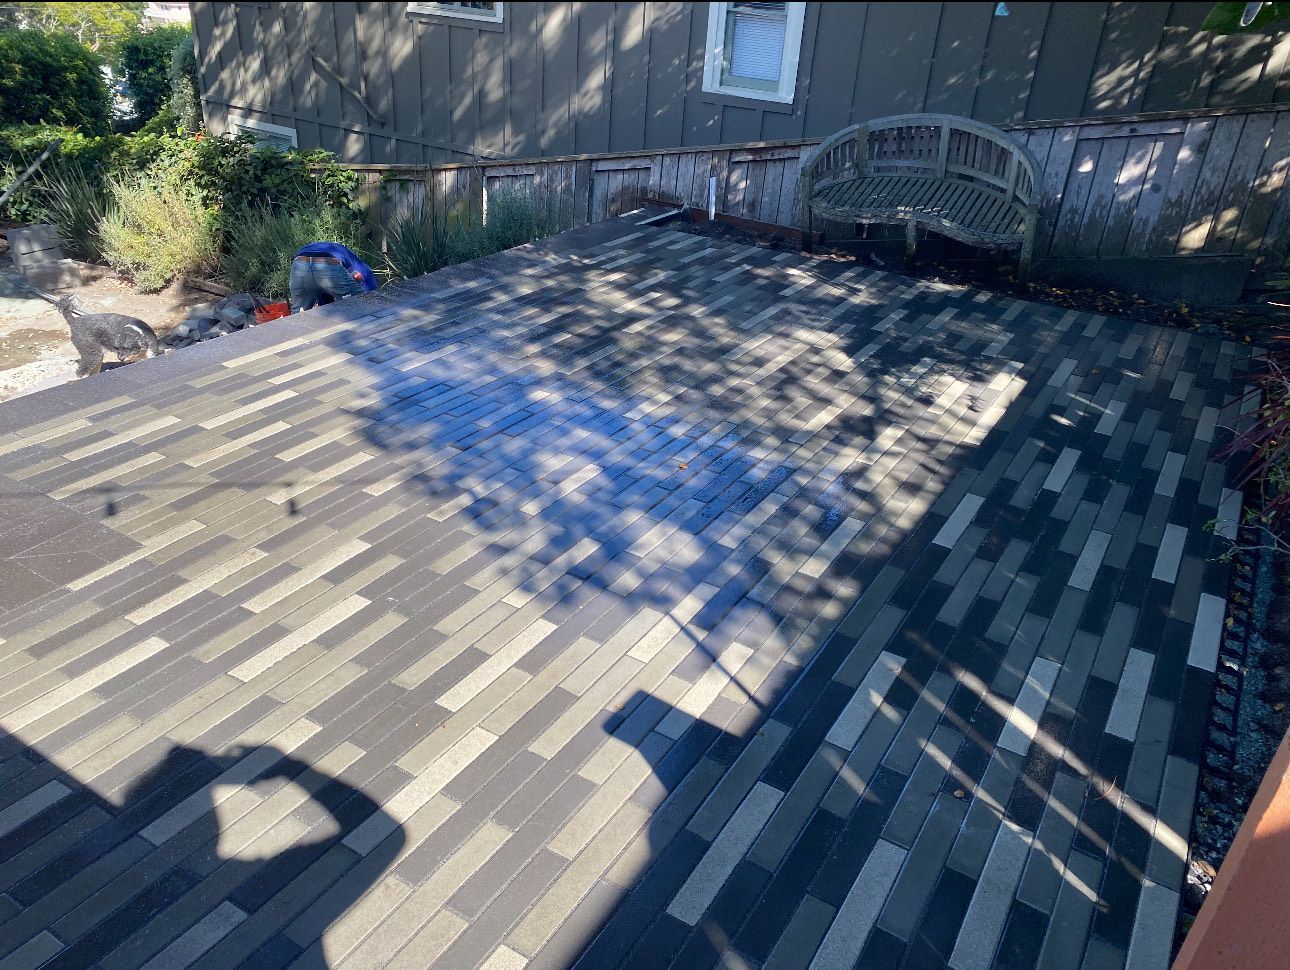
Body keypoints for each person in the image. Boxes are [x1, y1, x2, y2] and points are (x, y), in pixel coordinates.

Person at [289, 241, 378, 313]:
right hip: (328, 263)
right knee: (360, 306)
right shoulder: (363, 268)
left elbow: (324, 294)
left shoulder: (336, 249)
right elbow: (368, 288)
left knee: (298, 315)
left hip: (299, 264)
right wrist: (371, 302)